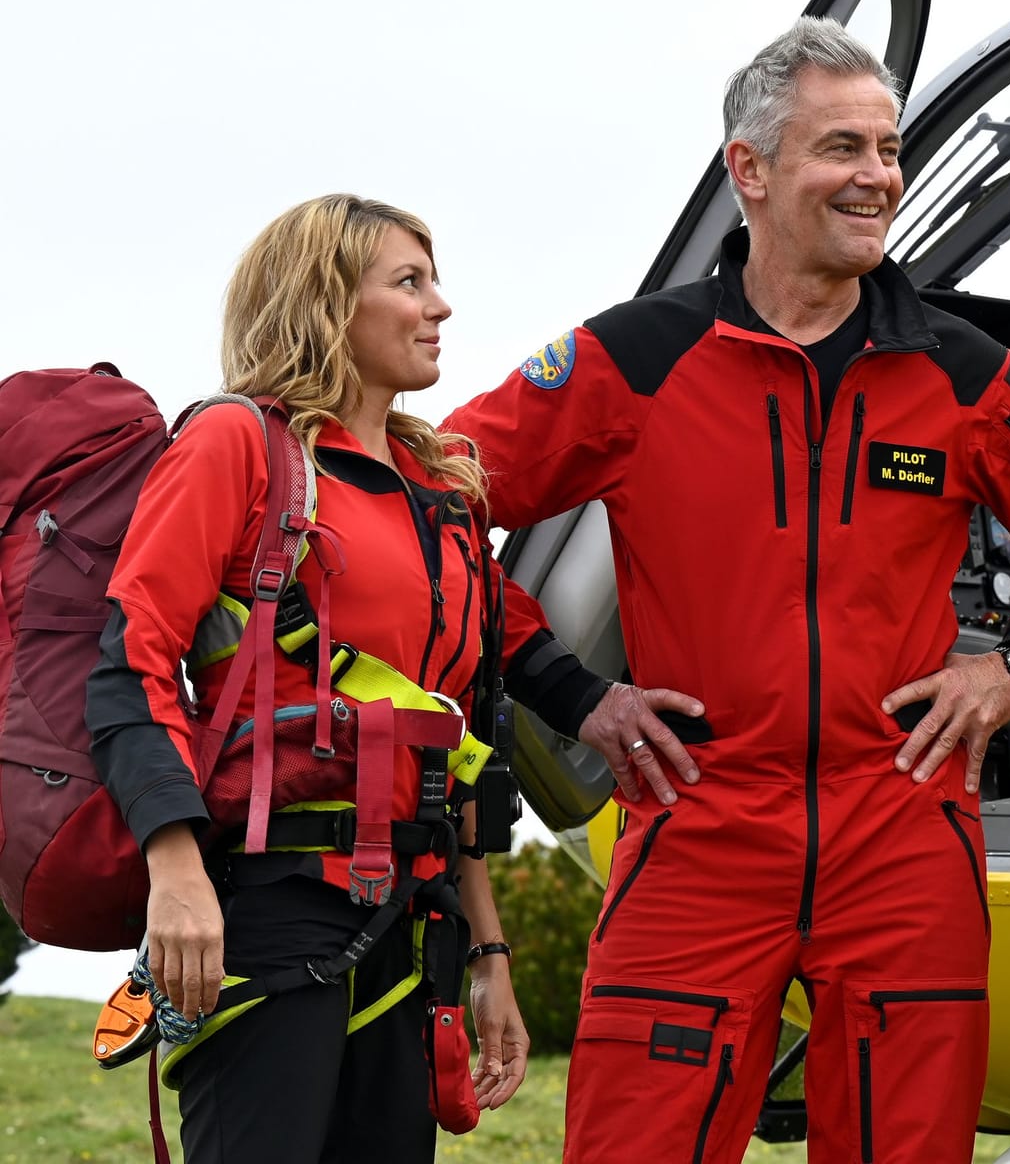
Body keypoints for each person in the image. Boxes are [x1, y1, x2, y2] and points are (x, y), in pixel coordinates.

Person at [443, 17, 1010, 1162]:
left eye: (887, 148)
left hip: (904, 823)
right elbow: (425, 508)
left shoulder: (961, 371)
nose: (878, 177)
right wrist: (570, 691)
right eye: (843, 148)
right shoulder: (636, 357)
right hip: (697, 819)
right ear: (751, 170)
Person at [87, 195, 624, 1162]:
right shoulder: (237, 445)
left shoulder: (442, 498)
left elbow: (451, 741)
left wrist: (489, 949)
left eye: (435, 280)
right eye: (409, 282)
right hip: (264, 903)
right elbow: (132, 659)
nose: (441, 307)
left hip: (414, 928)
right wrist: (174, 873)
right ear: (325, 303)